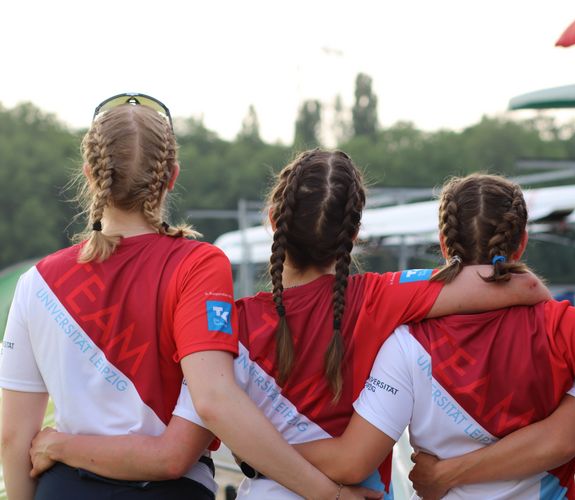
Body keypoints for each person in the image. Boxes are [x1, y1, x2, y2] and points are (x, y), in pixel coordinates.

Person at [26, 150, 551, 498]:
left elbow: (178, 446)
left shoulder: (228, 326)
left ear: (272, 221)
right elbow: (509, 282)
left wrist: (57, 444)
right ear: (355, 234)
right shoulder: (381, 297)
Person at [0, 96, 377, 500]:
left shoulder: (34, 282)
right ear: (172, 177)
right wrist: (331, 494)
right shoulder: (199, 265)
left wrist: (59, 451)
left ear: (91, 175)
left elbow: (12, 439)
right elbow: (203, 416)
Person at [284, 172, 575, 499]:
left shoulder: (404, 343)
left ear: (445, 245)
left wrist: (257, 443)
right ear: (522, 241)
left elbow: (351, 461)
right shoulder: (569, 327)